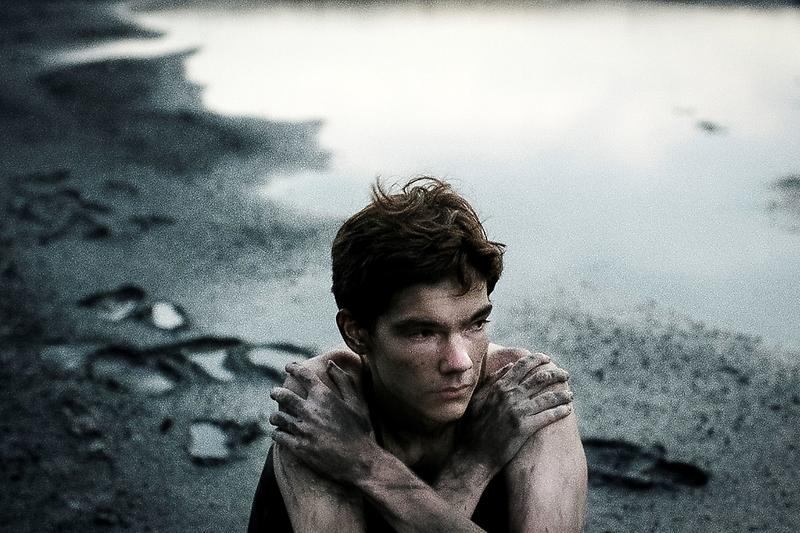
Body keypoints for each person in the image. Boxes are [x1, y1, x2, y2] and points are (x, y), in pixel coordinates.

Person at [248, 177, 587, 532]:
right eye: (424, 332)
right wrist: (475, 463)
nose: (460, 362)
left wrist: (367, 464)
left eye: (475, 324)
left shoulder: (525, 395)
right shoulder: (323, 407)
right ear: (356, 332)